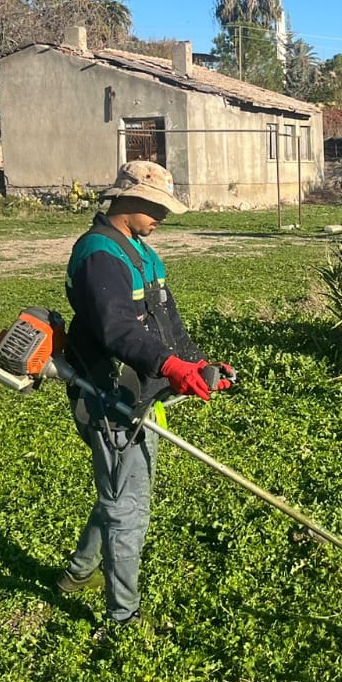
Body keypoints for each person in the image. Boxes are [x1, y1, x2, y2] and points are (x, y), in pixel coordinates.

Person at [56, 160, 231, 632]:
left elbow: (167, 323)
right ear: (127, 199)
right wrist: (169, 367)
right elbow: (116, 330)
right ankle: (122, 617)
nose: (163, 216)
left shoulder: (141, 251)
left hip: (140, 394)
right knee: (127, 507)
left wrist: (197, 362)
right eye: (156, 207)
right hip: (108, 396)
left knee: (121, 495)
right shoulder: (99, 255)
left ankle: (76, 574)